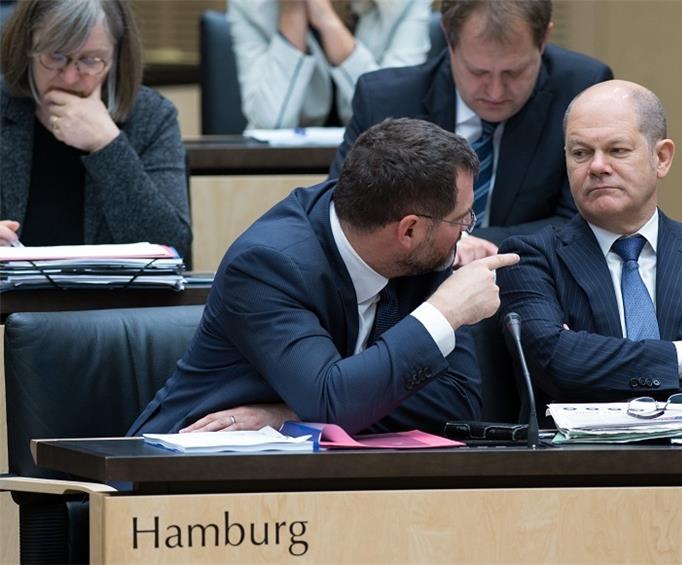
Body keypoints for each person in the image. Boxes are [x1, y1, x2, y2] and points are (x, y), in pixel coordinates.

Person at [128, 118, 519, 436]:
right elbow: (334, 401)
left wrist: (289, 417)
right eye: (462, 218)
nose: (467, 231)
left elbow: (455, 401)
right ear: (409, 230)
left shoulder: (424, 254)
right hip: (183, 479)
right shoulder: (268, 265)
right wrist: (443, 313)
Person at [498, 80, 682, 405]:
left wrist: (602, 374)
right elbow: (559, 366)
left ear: (661, 157)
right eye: (580, 153)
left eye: (617, 150)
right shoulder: (529, 257)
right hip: (581, 455)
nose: (597, 167)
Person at [329, 0, 612, 267]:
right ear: (448, 38)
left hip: (534, 276)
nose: (495, 92)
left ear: (544, 40)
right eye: (478, 72)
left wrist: (476, 243)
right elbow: (347, 217)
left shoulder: (582, 90)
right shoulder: (385, 101)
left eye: (514, 73)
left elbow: (585, 220)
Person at [0, 0, 191, 259]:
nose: (69, 77)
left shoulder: (151, 117)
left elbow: (174, 248)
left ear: (116, 58)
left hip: (115, 299)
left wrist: (107, 144)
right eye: (55, 56)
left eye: (90, 60)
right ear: (27, 49)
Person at [228, 0, 432, 129]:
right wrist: (293, 11)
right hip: (285, 172)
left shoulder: (406, 4)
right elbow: (271, 120)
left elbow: (394, 115)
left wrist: (327, 21)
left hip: (380, 169)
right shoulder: (250, 6)